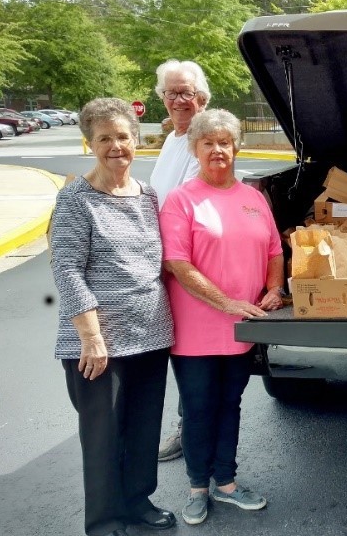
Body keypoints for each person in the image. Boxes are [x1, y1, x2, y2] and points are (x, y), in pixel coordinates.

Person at [50, 97, 176, 536]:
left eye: (123, 136)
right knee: (104, 436)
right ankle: (104, 520)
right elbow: (65, 268)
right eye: (104, 138)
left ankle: (139, 502)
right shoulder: (76, 199)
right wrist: (91, 336)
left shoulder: (148, 196)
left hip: (152, 334)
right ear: (90, 143)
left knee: (143, 428)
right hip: (98, 343)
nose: (115, 146)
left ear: (137, 142)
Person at [159, 109, 284, 525]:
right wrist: (227, 302)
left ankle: (226, 484)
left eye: (224, 142)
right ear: (195, 148)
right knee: (198, 409)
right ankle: (197, 487)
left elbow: (274, 251)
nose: (217, 150)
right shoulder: (182, 199)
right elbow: (178, 263)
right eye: (208, 142)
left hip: (243, 327)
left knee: (230, 405)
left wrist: (274, 288)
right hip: (196, 330)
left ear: (236, 146)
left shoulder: (252, 197)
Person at [151, 59, 211, 462]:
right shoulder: (174, 139)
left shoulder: (202, 139)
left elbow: (185, 202)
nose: (178, 100)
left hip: (189, 260)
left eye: (185, 92)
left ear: (201, 98)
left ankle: (190, 431)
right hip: (166, 259)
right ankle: (188, 426)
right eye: (171, 92)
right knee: (181, 353)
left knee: (194, 356)